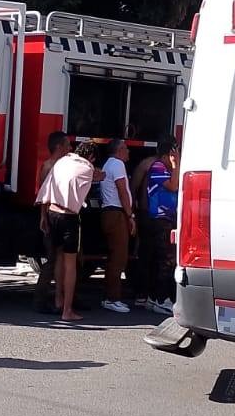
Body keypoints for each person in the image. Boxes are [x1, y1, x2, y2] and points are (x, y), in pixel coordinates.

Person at [36, 140, 100, 322]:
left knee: (56, 258)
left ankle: (58, 299)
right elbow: (98, 175)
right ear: (92, 157)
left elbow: (46, 187)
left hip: (52, 212)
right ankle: (67, 311)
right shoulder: (88, 168)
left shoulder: (62, 162)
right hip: (69, 218)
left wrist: (43, 215)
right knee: (70, 264)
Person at [134, 138, 181, 314]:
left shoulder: (163, 168)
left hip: (164, 218)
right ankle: (162, 299)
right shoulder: (158, 167)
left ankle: (153, 298)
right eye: (175, 153)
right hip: (159, 219)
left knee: (158, 259)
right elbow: (172, 186)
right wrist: (176, 166)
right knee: (165, 260)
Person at [96, 140, 136, 313]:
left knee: (115, 256)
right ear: (119, 150)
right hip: (116, 213)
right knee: (119, 257)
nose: (128, 152)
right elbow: (122, 191)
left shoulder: (108, 164)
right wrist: (130, 215)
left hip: (108, 212)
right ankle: (112, 298)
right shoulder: (118, 164)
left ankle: (110, 296)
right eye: (126, 149)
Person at [33, 131, 71, 313]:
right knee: (53, 258)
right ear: (59, 147)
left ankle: (64, 297)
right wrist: (43, 217)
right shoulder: (50, 166)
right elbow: (44, 194)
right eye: (67, 145)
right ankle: (41, 299)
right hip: (53, 217)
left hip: (57, 216)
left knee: (64, 258)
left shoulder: (57, 165)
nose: (70, 149)